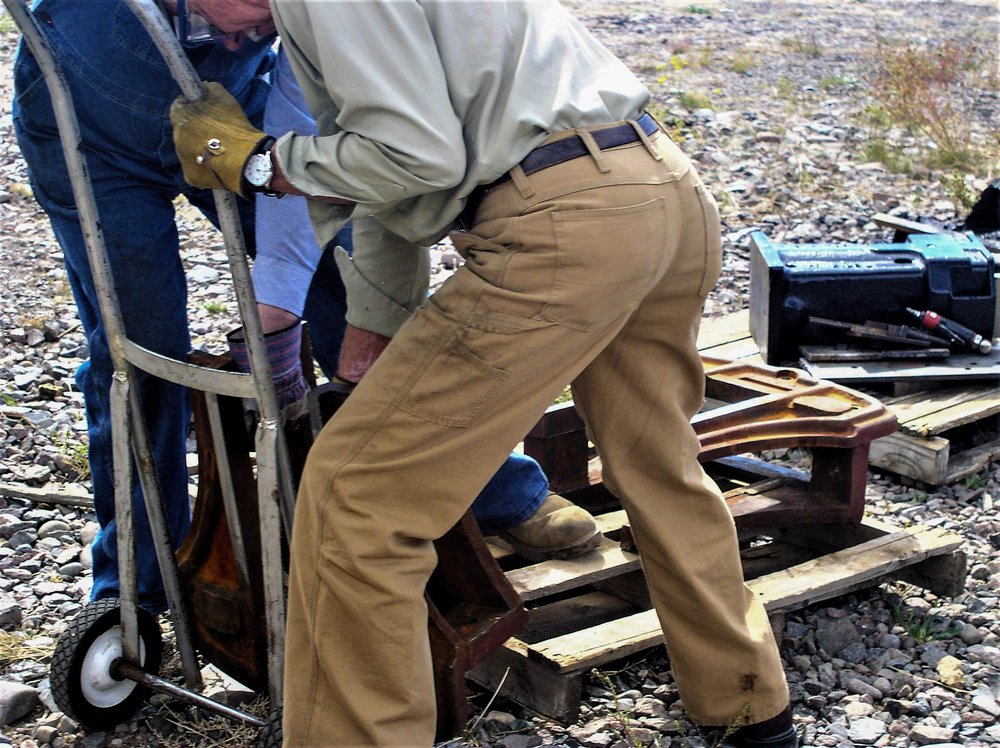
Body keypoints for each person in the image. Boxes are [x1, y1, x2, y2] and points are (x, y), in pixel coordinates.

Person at [171, 1, 798, 746]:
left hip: (564, 225)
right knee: (656, 462)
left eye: (196, 8)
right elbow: (392, 175)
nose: (222, 35)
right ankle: (748, 705)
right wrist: (369, 334)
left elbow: (416, 157)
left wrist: (259, 163)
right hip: (662, 192)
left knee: (355, 499)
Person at [12, 0, 597, 620]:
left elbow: (301, 128)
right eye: (255, 15)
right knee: (139, 347)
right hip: (88, 136)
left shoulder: (299, 13)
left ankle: (494, 490)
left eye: (273, 21)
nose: (257, 35)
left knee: (349, 282)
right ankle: (138, 585)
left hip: (231, 123)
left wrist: (277, 305)